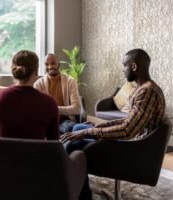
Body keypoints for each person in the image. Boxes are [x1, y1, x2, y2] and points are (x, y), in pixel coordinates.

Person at [61, 48, 166, 200]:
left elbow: (128, 131)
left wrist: (88, 133)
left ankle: (83, 196)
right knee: (77, 127)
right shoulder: (144, 88)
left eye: (125, 65)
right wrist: (98, 127)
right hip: (133, 140)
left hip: (135, 149)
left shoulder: (146, 92)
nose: (123, 70)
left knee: (72, 145)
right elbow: (128, 121)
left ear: (134, 67)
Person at [0, 50, 59, 140]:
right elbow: (53, 145)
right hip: (36, 154)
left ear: (13, 70)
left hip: (4, 154)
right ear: (36, 71)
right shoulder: (49, 103)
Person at [33, 53, 81, 134]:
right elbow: (37, 110)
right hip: (46, 121)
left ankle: (96, 131)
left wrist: (53, 109)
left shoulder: (70, 81)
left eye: (53, 63)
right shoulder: (38, 84)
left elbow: (77, 108)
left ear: (59, 64)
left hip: (64, 120)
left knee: (75, 128)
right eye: (47, 64)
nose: (50, 67)